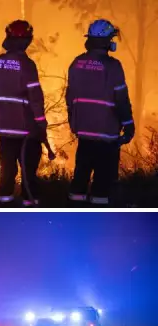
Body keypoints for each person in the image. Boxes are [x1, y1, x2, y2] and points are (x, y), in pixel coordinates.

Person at [66, 19, 135, 207]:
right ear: (106, 41)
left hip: (84, 132)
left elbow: (70, 97)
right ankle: (98, 214)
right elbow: (121, 99)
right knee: (103, 182)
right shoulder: (113, 66)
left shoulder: (77, 63)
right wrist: (128, 126)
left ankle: (75, 211)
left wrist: (73, 120)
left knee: (80, 175)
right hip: (106, 134)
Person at [0, 20, 50, 207]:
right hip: (26, 130)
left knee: (6, 170)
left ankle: (3, 205)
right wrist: (41, 124)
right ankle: (30, 207)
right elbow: (35, 98)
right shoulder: (27, 65)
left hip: (4, 128)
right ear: (27, 40)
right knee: (28, 171)